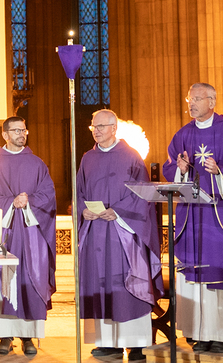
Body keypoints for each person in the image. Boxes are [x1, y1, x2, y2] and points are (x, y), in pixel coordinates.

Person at [162, 83, 223, 353]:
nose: (191, 104)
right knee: (195, 273)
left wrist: (220, 172)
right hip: (193, 217)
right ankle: (199, 332)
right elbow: (170, 168)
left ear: (212, 102)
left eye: (196, 99)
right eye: (189, 99)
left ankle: (222, 334)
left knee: (221, 273)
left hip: (221, 216)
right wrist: (181, 170)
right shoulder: (183, 134)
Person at [77, 111, 162, 360]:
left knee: (126, 285)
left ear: (114, 128)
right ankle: (108, 343)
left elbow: (143, 194)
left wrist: (118, 211)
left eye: (101, 126)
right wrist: (83, 210)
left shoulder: (131, 156)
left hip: (124, 233)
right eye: (93, 126)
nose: (96, 130)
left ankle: (136, 344)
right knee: (101, 284)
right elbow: (79, 190)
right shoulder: (87, 158)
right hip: (96, 232)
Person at [0, 116, 57, 357]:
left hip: (31, 235)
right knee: (5, 282)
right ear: (5, 134)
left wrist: (28, 200)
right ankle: (5, 336)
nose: (22, 134)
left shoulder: (37, 164)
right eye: (16, 130)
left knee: (29, 281)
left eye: (24, 130)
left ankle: (27, 336)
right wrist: (12, 202)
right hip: (4, 233)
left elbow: (48, 194)